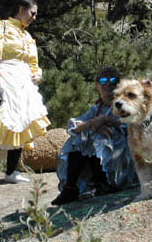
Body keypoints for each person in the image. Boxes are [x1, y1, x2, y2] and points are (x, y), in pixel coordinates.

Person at [0, 0, 51, 183]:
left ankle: (11, 172)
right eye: (32, 13)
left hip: (24, 81)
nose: (34, 18)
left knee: (23, 120)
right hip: (5, 75)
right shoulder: (0, 27)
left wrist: (37, 73)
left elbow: (33, 61)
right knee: (3, 119)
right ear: (21, 9)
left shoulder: (27, 36)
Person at [52, 66, 137, 205]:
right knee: (80, 137)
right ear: (97, 85)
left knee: (100, 137)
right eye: (103, 80)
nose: (108, 84)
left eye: (113, 80)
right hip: (102, 151)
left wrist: (107, 121)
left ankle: (105, 183)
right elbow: (74, 127)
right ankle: (70, 188)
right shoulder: (96, 108)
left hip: (122, 155)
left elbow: (132, 128)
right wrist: (93, 124)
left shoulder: (125, 105)